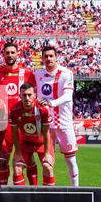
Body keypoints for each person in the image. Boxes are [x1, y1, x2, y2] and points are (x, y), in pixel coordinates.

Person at [29, 46, 79, 186]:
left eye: (51, 56)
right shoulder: (37, 74)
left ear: (56, 57)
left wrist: (51, 103)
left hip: (63, 122)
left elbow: (68, 96)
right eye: (46, 56)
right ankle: (49, 191)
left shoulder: (66, 73)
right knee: (47, 161)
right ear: (42, 59)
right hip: (45, 125)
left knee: (70, 159)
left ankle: (76, 190)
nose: (48, 59)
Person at [0, 42, 34, 184]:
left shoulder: (27, 74)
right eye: (7, 53)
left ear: (17, 54)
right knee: (3, 162)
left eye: (12, 52)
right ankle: (2, 196)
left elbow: (33, 97)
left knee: (24, 162)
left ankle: (31, 195)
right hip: (4, 125)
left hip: (23, 124)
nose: (10, 55)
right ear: (3, 55)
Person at [10, 83, 55, 186]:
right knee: (17, 168)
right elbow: (14, 132)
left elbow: (47, 132)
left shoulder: (43, 109)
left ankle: (48, 199)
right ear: (20, 96)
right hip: (25, 142)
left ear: (35, 95)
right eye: (24, 95)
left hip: (42, 143)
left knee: (47, 167)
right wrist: (17, 152)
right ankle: (22, 199)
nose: (27, 98)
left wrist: (47, 153)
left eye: (29, 95)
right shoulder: (14, 110)